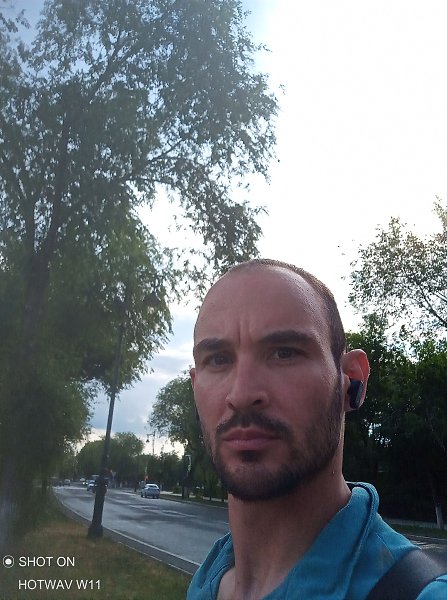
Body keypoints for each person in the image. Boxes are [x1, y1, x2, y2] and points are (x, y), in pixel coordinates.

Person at [187, 258, 447, 600]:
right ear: (195, 387)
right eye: (218, 359)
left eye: (284, 353)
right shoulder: (207, 582)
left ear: (351, 379)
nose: (242, 394)